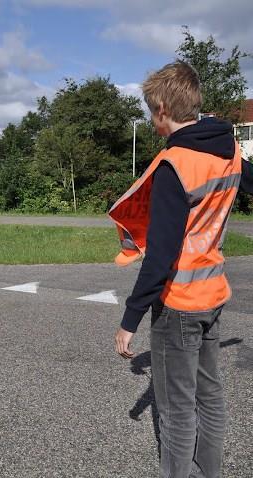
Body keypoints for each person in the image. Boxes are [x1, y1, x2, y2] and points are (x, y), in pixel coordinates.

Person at [109, 61, 253, 478]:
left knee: (175, 410)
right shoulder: (229, 150)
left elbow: (161, 254)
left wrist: (130, 318)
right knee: (210, 396)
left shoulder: (176, 164)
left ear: (159, 109)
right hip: (212, 296)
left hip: (179, 304)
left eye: (149, 112)